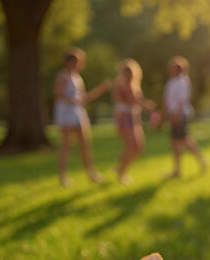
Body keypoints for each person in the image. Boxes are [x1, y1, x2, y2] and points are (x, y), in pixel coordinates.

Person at [53, 48, 111, 187]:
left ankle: (91, 174)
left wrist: (101, 89)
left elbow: (83, 98)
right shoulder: (63, 76)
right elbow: (58, 93)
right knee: (66, 146)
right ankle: (63, 177)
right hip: (66, 114)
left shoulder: (77, 78)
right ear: (68, 62)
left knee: (85, 145)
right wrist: (72, 101)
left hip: (77, 113)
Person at [159, 56, 207, 178]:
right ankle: (178, 169)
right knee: (179, 141)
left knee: (181, 140)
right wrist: (162, 115)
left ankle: (198, 161)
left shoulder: (183, 81)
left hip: (180, 114)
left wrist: (176, 115)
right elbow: (166, 100)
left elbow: (182, 100)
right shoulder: (171, 82)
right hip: (173, 115)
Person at [112, 59, 155, 184]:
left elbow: (136, 100)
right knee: (132, 146)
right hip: (124, 117)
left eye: (130, 71)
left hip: (134, 117)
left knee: (138, 147)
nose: (128, 74)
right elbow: (131, 100)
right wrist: (146, 105)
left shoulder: (134, 85)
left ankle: (120, 166)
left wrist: (145, 104)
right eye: (126, 71)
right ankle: (121, 172)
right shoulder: (121, 85)